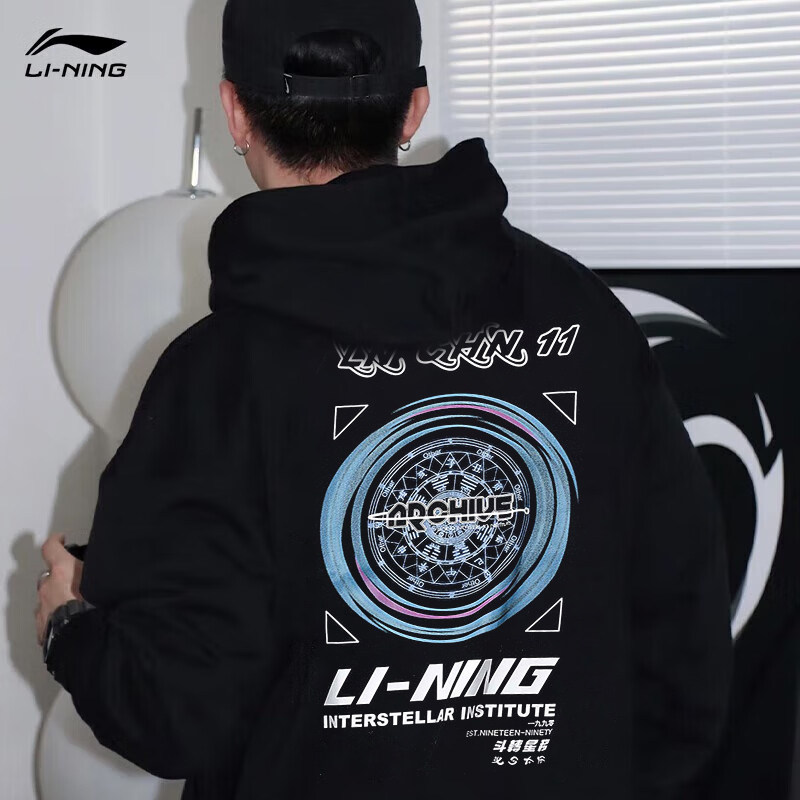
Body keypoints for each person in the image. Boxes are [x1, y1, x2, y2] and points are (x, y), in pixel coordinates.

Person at [34, 1, 733, 798]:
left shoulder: (216, 374)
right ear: (414, 108)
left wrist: (70, 628)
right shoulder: (586, 319)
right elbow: (685, 636)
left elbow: (177, 712)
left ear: (235, 112)